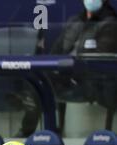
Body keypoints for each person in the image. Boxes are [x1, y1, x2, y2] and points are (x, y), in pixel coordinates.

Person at [50, 0, 117, 132]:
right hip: (66, 75)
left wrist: (71, 71)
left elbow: (100, 61)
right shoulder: (74, 21)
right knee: (38, 81)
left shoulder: (110, 23)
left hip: (92, 81)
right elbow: (55, 50)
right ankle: (44, 135)